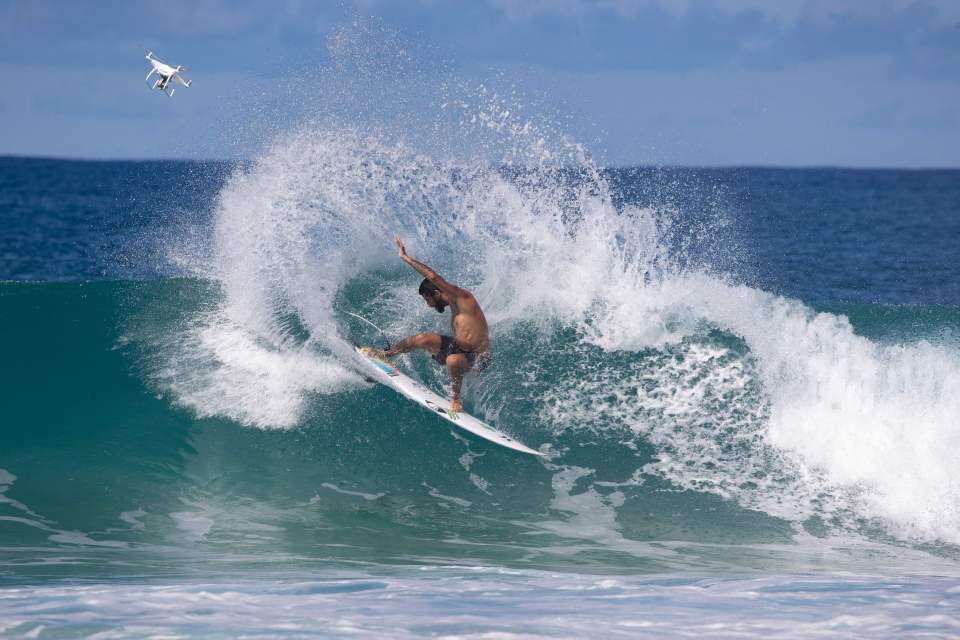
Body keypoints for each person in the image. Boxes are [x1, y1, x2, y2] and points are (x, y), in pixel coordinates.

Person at [372, 237, 490, 412]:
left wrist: (405, 257)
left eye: (427, 299)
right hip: (458, 348)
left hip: (476, 357)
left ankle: (456, 401)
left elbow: (433, 276)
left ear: (436, 293)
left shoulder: (462, 298)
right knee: (421, 339)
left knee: (452, 360)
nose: (428, 305)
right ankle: (385, 354)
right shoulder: (454, 304)